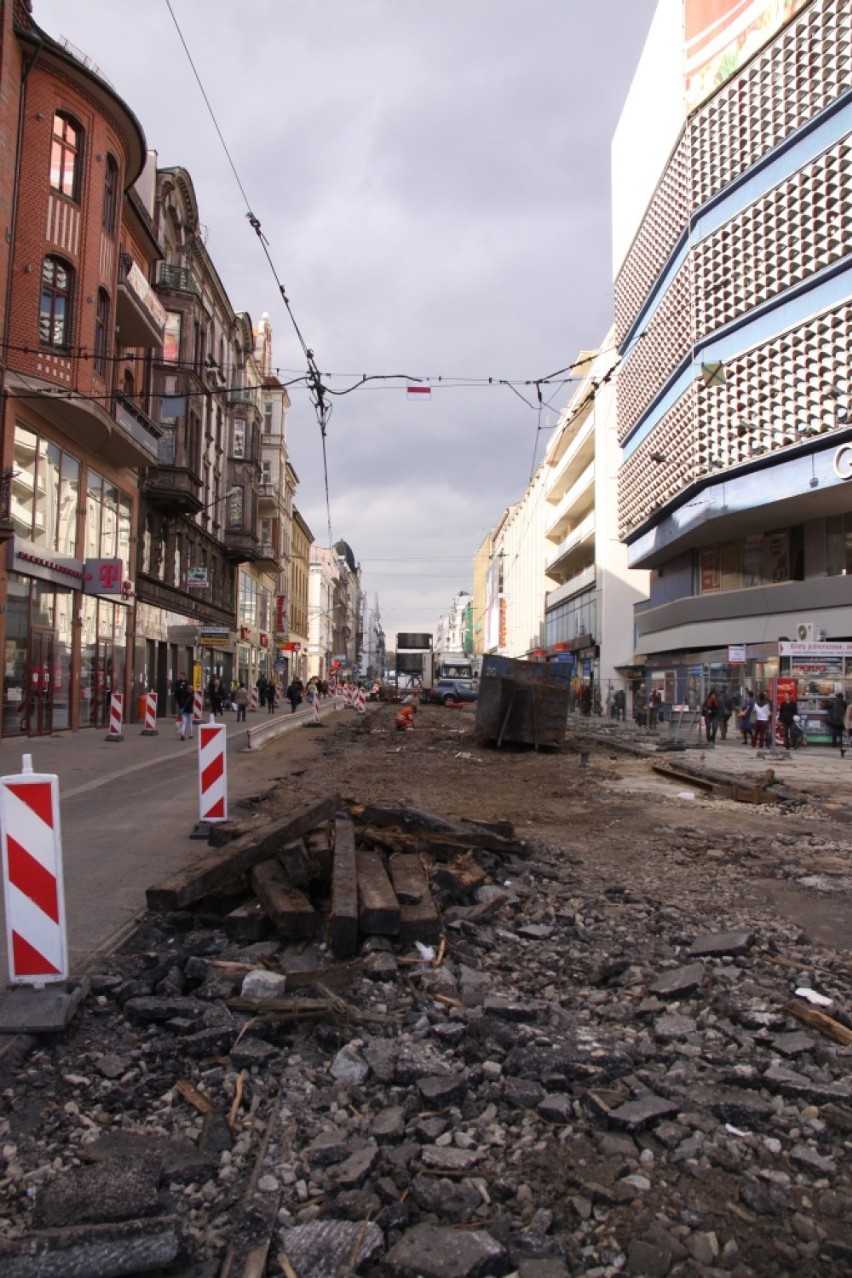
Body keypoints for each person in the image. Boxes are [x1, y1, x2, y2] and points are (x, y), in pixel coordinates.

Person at [172, 671, 194, 740]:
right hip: (189, 710)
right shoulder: (191, 696)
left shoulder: (184, 695)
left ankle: (183, 734)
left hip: (183, 708)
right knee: (189, 722)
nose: (180, 677)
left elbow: (177, 693)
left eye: (181, 675)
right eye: (179, 675)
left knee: (184, 722)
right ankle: (190, 734)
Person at [824, 690, 847, 755]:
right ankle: (841, 744)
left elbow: (825, 707)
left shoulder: (833, 702)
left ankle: (834, 744)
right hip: (842, 720)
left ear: (837, 697)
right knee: (841, 733)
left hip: (834, 720)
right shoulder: (845, 703)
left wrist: (826, 702)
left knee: (834, 732)